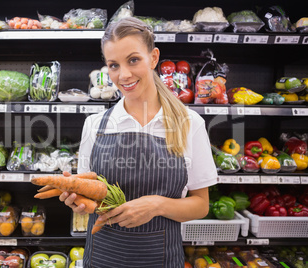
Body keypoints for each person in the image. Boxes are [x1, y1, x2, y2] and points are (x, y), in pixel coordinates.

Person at [60, 17, 217, 268]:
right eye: (113, 65)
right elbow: (90, 198)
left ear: (154, 58)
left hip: (160, 258)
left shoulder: (190, 123)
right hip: (103, 258)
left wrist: (156, 205)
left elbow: (201, 206)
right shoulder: (95, 125)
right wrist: (78, 201)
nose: (123, 75)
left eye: (133, 60)